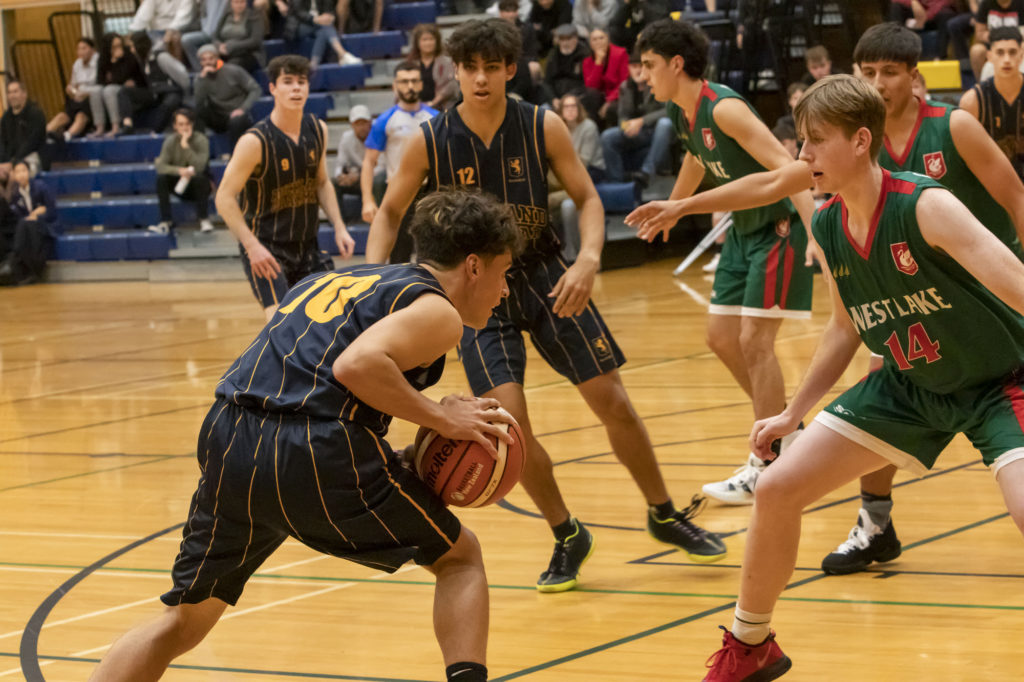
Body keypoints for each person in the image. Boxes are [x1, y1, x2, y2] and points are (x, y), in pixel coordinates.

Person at [86, 188, 522, 682]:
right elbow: (356, 365)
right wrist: (442, 420)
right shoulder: (441, 313)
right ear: (473, 266)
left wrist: (402, 449)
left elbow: (302, 371)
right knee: (460, 558)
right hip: (313, 449)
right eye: (504, 273)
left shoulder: (332, 278)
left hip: (229, 436)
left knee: (182, 621)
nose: (505, 290)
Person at [366, 17, 727, 593]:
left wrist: (588, 259)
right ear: (455, 72)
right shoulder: (429, 140)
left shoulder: (542, 124)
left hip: (545, 275)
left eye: (491, 67)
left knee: (612, 400)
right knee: (511, 430)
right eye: (469, 68)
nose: (480, 78)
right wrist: (376, 283)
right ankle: (566, 533)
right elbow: (388, 214)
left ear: (511, 70)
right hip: (472, 296)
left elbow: (587, 199)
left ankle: (663, 511)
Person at [690, 73, 1024, 682]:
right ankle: (750, 646)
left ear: (861, 141)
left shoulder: (927, 206)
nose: (803, 156)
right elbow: (845, 329)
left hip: (1000, 380)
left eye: (815, 141)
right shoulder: (827, 225)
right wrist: (794, 412)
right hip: (911, 384)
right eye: (800, 142)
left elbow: (1018, 286)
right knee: (777, 487)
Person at [811, 22, 1024, 575]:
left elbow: (1016, 197)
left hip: (985, 300)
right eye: (867, 72)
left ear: (914, 76)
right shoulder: (849, 142)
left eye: (888, 72)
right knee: (882, 385)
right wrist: (682, 207)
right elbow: (778, 179)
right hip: (911, 298)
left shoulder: (953, 126)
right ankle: (875, 523)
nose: (878, 83)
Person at [625, 19, 817, 506]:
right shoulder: (681, 109)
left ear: (676, 63)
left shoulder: (726, 108)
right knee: (720, 338)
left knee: (755, 341)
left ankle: (768, 462)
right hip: (741, 231)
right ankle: (786, 433)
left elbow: (791, 167)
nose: (642, 76)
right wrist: (671, 206)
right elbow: (696, 159)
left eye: (648, 66)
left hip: (777, 228)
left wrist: (819, 235)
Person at [215, 55, 355, 321]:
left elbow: (322, 182)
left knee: (334, 320)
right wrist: (251, 246)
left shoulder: (317, 129)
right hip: (267, 247)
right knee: (281, 324)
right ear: (272, 89)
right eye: (287, 82)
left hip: (307, 245)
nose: (296, 88)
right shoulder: (254, 142)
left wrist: (339, 226)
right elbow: (223, 197)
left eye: (301, 82)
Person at [359, 61, 437, 261]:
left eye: (413, 81)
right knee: (398, 257)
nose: (409, 86)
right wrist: (368, 200)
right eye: (404, 81)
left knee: (432, 257)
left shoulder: (436, 118)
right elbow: (369, 162)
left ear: (421, 84)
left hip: (431, 194)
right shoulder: (385, 120)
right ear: (395, 85)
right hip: (398, 192)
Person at [600, 50, 674, 185]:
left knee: (665, 123)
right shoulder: (625, 86)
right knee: (607, 136)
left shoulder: (657, 83)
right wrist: (625, 128)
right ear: (628, 68)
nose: (638, 70)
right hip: (637, 133)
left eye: (641, 66)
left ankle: (646, 172)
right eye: (634, 67)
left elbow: (670, 110)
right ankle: (616, 182)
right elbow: (622, 117)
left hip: (656, 131)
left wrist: (641, 121)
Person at [960, 26, 1024, 180]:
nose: (1007, 59)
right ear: (989, 56)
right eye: (1000, 52)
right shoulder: (972, 101)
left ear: (1021, 55)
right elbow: (966, 158)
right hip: (990, 184)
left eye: (1012, 52)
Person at [150, 109, 214, 235]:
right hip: (179, 184)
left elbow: (200, 166)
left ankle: (204, 219)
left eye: (187, 124)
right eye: (181, 124)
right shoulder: (170, 142)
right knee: (161, 179)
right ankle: (166, 221)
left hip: (199, 185)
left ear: (192, 124)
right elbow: (160, 166)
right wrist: (179, 171)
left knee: (200, 178)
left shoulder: (201, 140)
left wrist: (186, 146)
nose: (184, 128)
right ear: (175, 126)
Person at [0, 159, 59, 286]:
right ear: (13, 175)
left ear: (29, 172)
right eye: (17, 172)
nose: (21, 174)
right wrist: (31, 216)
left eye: (24, 171)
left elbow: (52, 212)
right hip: (27, 229)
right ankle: (22, 269)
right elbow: (17, 216)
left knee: (26, 226)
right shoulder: (15, 194)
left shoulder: (41, 187)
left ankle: (18, 264)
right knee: (23, 225)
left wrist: (39, 216)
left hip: (46, 226)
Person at [194, 43, 262, 147]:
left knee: (237, 121)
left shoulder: (233, 70)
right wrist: (202, 80)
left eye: (211, 58)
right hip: (219, 116)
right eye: (204, 60)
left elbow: (256, 89)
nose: (208, 62)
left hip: (238, 113)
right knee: (196, 114)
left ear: (217, 57)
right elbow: (199, 104)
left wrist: (243, 108)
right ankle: (200, 151)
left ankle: (235, 156)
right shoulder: (200, 79)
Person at [183, 0, 267, 73]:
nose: (239, 5)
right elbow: (215, 36)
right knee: (209, 58)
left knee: (232, 64)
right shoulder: (226, 16)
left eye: (242, 2)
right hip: (225, 52)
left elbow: (255, 41)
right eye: (236, 2)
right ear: (231, 3)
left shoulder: (254, 17)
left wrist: (232, 46)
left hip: (247, 54)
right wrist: (219, 45)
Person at [89, 32, 146, 137]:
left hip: (132, 89)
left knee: (109, 90)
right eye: (114, 46)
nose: (117, 49)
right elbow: (100, 80)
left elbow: (121, 78)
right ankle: (99, 127)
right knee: (95, 91)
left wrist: (116, 62)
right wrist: (111, 80)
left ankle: (116, 126)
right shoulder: (103, 58)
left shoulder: (128, 56)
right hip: (115, 85)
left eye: (119, 45)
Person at [46, 37, 99, 142]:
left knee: (81, 115)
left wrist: (86, 93)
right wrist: (70, 89)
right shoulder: (77, 64)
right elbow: (73, 84)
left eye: (84, 48)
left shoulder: (99, 62)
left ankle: (67, 136)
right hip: (78, 98)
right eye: (79, 49)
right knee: (62, 115)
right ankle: (42, 135)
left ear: (92, 50)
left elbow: (101, 86)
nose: (81, 52)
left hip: (93, 99)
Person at [279, 0, 361, 66]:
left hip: (319, 25)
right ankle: (343, 54)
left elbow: (329, 9)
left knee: (324, 29)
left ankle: (314, 64)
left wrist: (329, 16)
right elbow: (298, 12)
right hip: (298, 25)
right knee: (325, 27)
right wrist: (314, 19)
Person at [499, 0, 545, 103]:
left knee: (532, 67)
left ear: (517, 12)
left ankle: (531, 100)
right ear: (500, 13)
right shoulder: (494, 29)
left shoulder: (527, 28)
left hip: (522, 61)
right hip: (501, 60)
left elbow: (532, 50)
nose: (510, 14)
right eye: (507, 11)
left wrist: (528, 62)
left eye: (513, 11)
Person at [0, 80, 47, 178]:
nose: (12, 96)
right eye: (9, 92)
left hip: (32, 157)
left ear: (24, 94)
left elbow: (32, 143)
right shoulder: (6, 117)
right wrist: (4, 162)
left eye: (15, 92)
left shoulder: (36, 114)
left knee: (18, 174)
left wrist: (13, 162)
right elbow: (2, 142)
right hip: (10, 161)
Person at [333, 104, 377, 207]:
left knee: (379, 180)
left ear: (370, 122)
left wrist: (358, 176)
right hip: (357, 180)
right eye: (358, 123)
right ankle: (339, 221)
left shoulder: (378, 135)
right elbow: (340, 164)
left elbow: (383, 167)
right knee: (333, 183)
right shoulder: (346, 138)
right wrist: (342, 176)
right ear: (352, 125)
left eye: (364, 123)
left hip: (375, 179)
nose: (361, 127)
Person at [583, 27, 629, 126]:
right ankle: (594, 130)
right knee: (590, 95)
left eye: (601, 38)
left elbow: (624, 82)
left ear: (608, 39)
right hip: (599, 97)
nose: (598, 42)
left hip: (618, 96)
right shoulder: (587, 61)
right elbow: (591, 86)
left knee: (612, 108)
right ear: (590, 44)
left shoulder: (620, 54)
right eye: (594, 39)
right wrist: (598, 62)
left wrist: (609, 102)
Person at [408, 24, 458, 111]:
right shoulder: (411, 63)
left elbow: (451, 85)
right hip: (416, 109)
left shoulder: (447, 62)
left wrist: (433, 103)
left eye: (431, 39)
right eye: (424, 40)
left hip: (442, 108)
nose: (428, 43)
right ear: (417, 43)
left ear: (437, 41)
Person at [969, 0, 1024, 80]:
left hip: (1016, 45)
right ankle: (981, 85)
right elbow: (979, 33)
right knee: (976, 50)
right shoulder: (986, 4)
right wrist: (998, 38)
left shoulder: (1021, 3)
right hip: (992, 44)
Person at [544, 23, 590, 111]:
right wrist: (553, 99)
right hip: (556, 97)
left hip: (578, 96)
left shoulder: (584, 54)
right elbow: (547, 82)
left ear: (576, 38)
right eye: (562, 39)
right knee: (542, 112)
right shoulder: (553, 55)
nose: (565, 43)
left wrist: (567, 99)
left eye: (568, 39)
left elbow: (586, 82)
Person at [888, 0, 956, 58]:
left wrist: (925, 17)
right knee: (896, 7)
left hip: (934, 16)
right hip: (915, 14)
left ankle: (941, 56)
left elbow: (945, 2)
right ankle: (898, 53)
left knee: (946, 14)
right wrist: (913, 2)